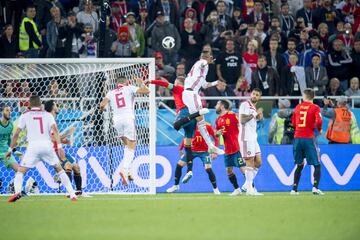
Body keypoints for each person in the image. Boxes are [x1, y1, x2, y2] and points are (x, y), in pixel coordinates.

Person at [6, 96, 77, 202]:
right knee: (59, 169)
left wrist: (10, 149)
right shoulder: (48, 115)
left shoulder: (25, 115)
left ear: (29, 105)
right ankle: (72, 194)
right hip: (47, 146)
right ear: (40, 104)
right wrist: (60, 147)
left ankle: (17, 192)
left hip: (33, 147)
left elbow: (16, 133)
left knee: (20, 171)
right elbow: (55, 130)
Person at [149, 76, 209, 187]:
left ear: (179, 83)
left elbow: (164, 84)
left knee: (176, 125)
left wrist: (150, 81)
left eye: (175, 82)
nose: (174, 83)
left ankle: (197, 114)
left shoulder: (179, 88)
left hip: (184, 113)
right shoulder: (190, 93)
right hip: (191, 119)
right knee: (188, 146)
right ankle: (189, 171)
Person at [100, 76, 149, 186]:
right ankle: (124, 170)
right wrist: (141, 83)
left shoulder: (110, 92)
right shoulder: (129, 88)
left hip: (116, 121)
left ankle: (129, 170)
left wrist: (103, 109)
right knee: (132, 146)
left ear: (117, 83)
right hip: (128, 119)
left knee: (127, 146)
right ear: (126, 82)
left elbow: (102, 104)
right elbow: (147, 91)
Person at [181, 50, 225, 155]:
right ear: (207, 57)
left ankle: (210, 146)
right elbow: (203, 62)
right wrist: (207, 61)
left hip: (188, 94)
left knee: (199, 121)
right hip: (192, 94)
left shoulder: (200, 71)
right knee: (200, 120)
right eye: (209, 57)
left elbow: (204, 85)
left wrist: (216, 82)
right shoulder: (201, 63)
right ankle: (211, 146)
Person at [44, 100, 86, 196]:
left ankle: (78, 191)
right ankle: (69, 192)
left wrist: (64, 141)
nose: (57, 107)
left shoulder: (53, 120)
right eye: (55, 105)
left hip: (58, 150)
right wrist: (68, 134)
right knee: (67, 166)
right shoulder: (48, 121)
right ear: (51, 108)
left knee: (76, 167)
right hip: (52, 152)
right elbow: (52, 139)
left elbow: (55, 137)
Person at [166, 123, 220, 194]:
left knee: (208, 168)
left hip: (204, 152)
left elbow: (216, 139)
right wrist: (180, 149)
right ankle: (175, 186)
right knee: (179, 165)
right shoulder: (192, 125)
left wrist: (215, 152)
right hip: (192, 151)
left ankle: (215, 189)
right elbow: (186, 138)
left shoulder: (208, 126)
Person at [291, 88, 323, 195]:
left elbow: (294, 124)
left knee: (299, 165)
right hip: (309, 138)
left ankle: (294, 189)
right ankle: (315, 188)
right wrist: (319, 129)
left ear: (304, 96)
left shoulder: (297, 107)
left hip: (297, 138)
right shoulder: (315, 107)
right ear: (313, 97)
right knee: (317, 164)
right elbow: (319, 120)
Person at [215, 100, 246, 196]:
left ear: (222, 106)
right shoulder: (218, 120)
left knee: (243, 168)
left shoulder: (232, 115)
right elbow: (216, 133)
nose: (216, 106)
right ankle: (237, 189)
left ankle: (252, 188)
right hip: (227, 149)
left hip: (237, 147)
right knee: (229, 170)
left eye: (217, 104)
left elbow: (242, 123)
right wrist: (217, 133)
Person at [238, 88, 264, 196]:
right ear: (250, 94)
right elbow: (242, 120)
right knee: (249, 162)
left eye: (257, 95)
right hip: (246, 138)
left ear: (259, 97)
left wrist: (259, 117)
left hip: (253, 138)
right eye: (253, 94)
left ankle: (245, 185)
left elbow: (252, 121)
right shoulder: (245, 104)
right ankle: (250, 189)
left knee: (258, 162)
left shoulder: (254, 107)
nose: (254, 96)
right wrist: (254, 114)